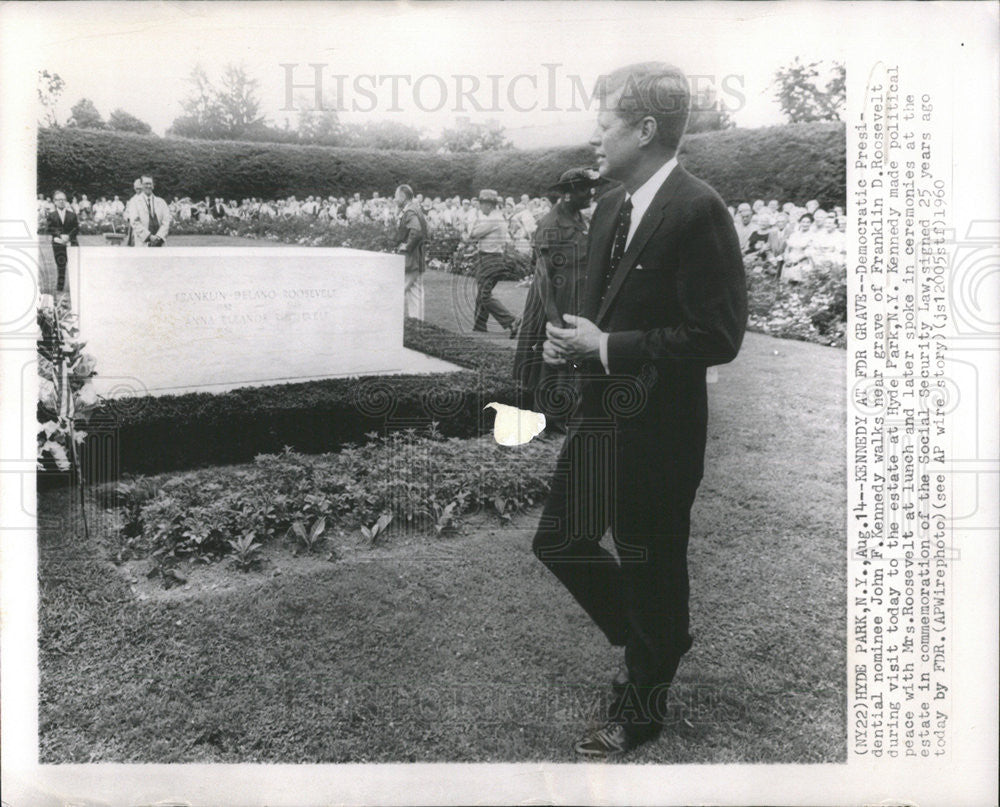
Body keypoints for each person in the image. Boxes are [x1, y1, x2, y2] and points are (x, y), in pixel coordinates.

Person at [534, 62, 747, 758]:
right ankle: (660, 634)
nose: (595, 139)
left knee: (651, 561)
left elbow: (717, 336)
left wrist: (608, 345)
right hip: (601, 420)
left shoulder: (698, 208)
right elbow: (599, 321)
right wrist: (577, 344)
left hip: (659, 433)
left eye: (605, 125)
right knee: (560, 539)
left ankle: (641, 706)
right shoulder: (610, 208)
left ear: (646, 129)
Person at [514, 167, 602, 435]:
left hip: (576, 297)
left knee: (570, 355)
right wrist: (552, 318)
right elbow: (542, 276)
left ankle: (561, 411)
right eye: (585, 188)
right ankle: (545, 417)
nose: (591, 193)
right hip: (554, 299)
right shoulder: (551, 223)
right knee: (548, 356)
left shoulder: (578, 218)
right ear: (569, 193)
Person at [465, 189, 520, 336]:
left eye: (482, 203)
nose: (480, 206)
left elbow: (472, 234)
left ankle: (511, 321)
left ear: (489, 205)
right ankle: (480, 326)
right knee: (483, 293)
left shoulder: (492, 220)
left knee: (484, 295)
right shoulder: (497, 218)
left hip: (490, 258)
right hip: (492, 257)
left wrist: (474, 219)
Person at [394, 184, 428, 320]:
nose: (395, 200)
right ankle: (418, 325)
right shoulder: (417, 210)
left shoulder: (410, 212)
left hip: (411, 260)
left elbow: (417, 231)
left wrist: (407, 246)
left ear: (403, 197)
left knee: (396, 290)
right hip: (417, 258)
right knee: (416, 293)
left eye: (396, 197)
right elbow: (426, 231)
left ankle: (389, 323)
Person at [46, 190, 78, 293]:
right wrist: (60, 235)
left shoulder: (72, 215)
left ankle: (75, 287)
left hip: (71, 243)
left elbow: (76, 228)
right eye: (59, 200)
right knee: (61, 265)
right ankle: (60, 288)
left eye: (63, 199)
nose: (61, 201)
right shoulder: (51, 215)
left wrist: (68, 236)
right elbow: (50, 228)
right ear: (54, 201)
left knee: (74, 265)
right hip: (58, 244)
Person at [129, 175, 171, 247]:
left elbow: (167, 221)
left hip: (159, 242)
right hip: (143, 242)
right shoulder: (134, 202)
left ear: (153, 186)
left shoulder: (161, 202)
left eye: (150, 184)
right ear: (141, 185)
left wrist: (159, 237)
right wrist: (149, 237)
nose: (148, 186)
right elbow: (134, 222)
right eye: (146, 184)